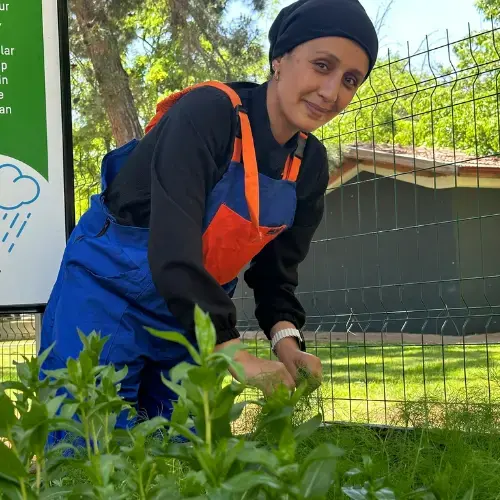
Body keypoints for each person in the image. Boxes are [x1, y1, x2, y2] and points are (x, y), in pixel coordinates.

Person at [40, 0, 378, 430]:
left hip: (190, 316)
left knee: (181, 452)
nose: (332, 93)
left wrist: (287, 342)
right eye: (322, 65)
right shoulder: (208, 115)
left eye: (350, 80)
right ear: (279, 58)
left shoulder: (309, 167)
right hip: (106, 293)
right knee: (85, 443)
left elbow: (277, 273)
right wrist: (230, 349)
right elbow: (173, 249)